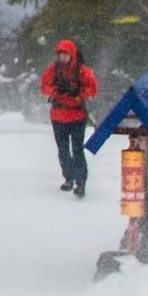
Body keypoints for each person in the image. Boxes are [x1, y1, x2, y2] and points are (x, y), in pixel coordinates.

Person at [41, 40, 98, 196]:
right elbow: (44, 87)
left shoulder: (82, 71)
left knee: (77, 149)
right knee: (63, 150)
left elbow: (93, 88)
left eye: (65, 54)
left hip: (77, 116)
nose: (62, 57)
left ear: (72, 54)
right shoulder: (53, 70)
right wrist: (57, 90)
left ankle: (81, 183)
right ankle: (69, 178)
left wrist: (79, 93)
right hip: (58, 116)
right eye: (60, 54)